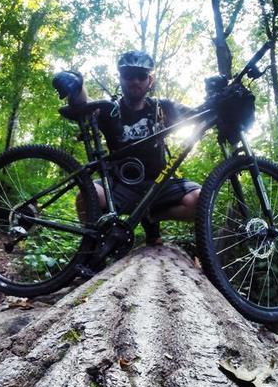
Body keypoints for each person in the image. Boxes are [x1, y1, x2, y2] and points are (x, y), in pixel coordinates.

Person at [54, 50, 201, 246]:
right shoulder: (110, 109)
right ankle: (92, 248)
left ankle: (151, 215)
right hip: (119, 185)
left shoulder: (162, 107)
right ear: (121, 79)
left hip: (159, 184)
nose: (135, 81)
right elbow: (85, 105)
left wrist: (225, 102)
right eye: (128, 75)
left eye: (141, 76)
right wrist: (76, 83)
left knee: (200, 200)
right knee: (85, 196)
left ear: (150, 80)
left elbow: (201, 114)